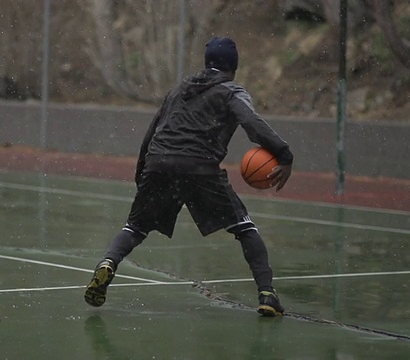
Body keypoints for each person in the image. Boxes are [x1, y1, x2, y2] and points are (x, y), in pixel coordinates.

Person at [84, 37, 293, 317]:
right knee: (244, 229)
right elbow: (252, 123)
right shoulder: (231, 91)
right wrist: (283, 153)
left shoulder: (179, 90)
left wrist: (142, 174)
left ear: (207, 62)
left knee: (135, 227)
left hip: (158, 162)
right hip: (199, 167)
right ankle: (267, 294)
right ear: (234, 66)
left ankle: (109, 262)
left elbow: (151, 132)